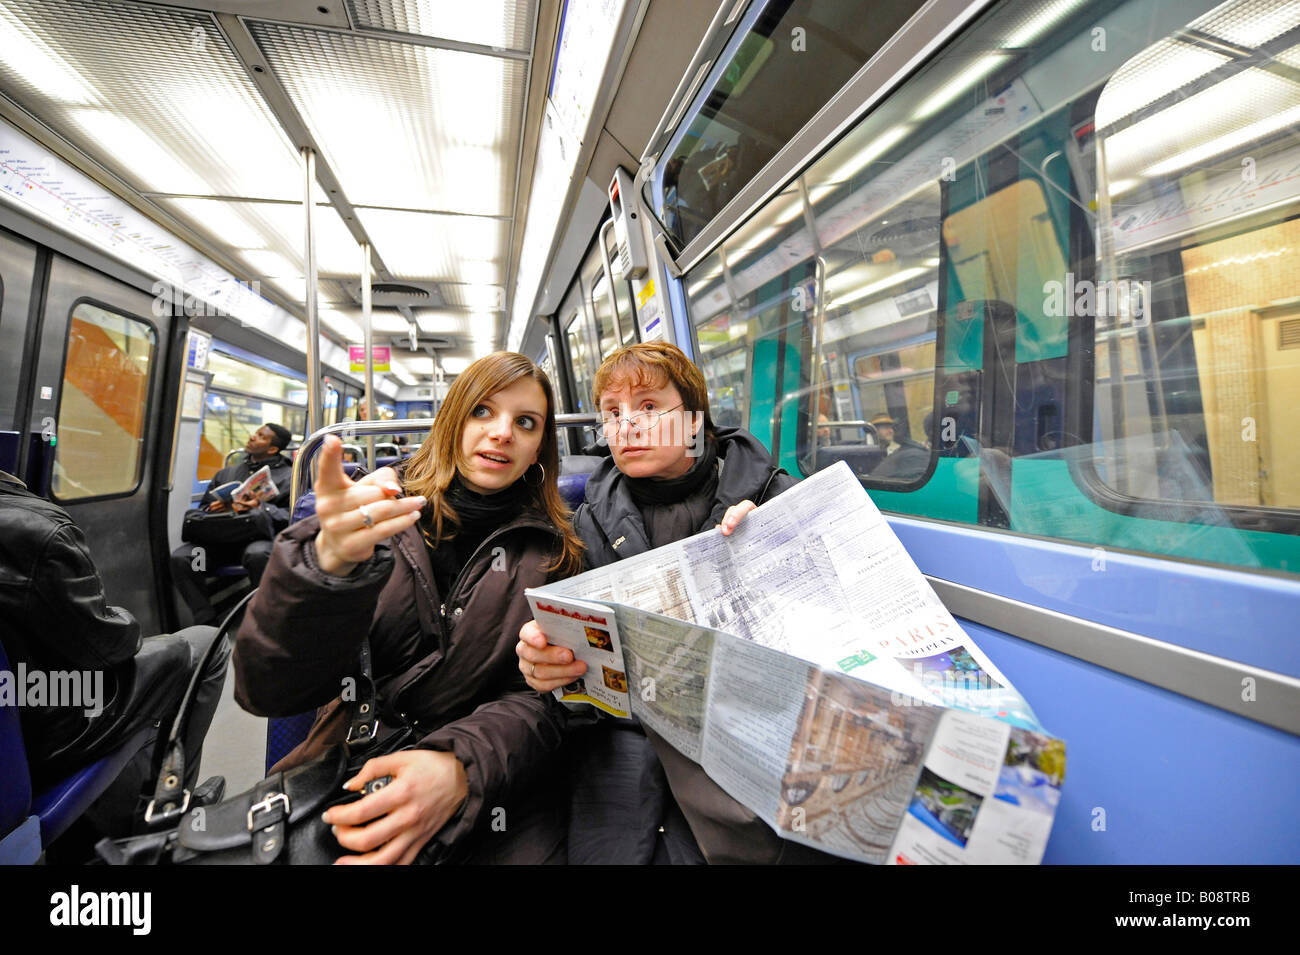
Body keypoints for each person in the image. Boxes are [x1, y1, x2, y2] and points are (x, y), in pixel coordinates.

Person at [233, 352, 584, 865]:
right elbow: (266, 689)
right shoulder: (370, 516)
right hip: (358, 752)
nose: (502, 432)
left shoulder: (557, 553)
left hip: (494, 773)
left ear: (538, 451)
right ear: (450, 423)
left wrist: (458, 766)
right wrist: (324, 574)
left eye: (525, 422)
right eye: (482, 412)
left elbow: (546, 703)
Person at [517, 341, 833, 864]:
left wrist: (774, 543)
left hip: (751, 731)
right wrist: (550, 669)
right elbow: (578, 692)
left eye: (647, 407)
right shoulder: (583, 525)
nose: (626, 426)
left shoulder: (771, 498)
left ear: (693, 420)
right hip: (624, 742)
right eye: (612, 414)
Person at [0, 469, 228, 838]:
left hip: (17, 705)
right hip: (44, 722)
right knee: (204, 643)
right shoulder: (35, 527)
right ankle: (166, 808)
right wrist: (121, 615)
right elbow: (109, 647)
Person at [170, 423, 293, 624]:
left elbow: (290, 518)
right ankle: (206, 619)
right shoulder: (227, 473)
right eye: (256, 432)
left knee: (257, 555)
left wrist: (262, 507)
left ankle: (263, 617)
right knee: (185, 558)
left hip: (258, 540)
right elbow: (204, 509)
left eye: (261, 436)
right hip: (220, 542)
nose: (253, 436)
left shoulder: (289, 477)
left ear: (272, 449)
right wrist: (213, 508)